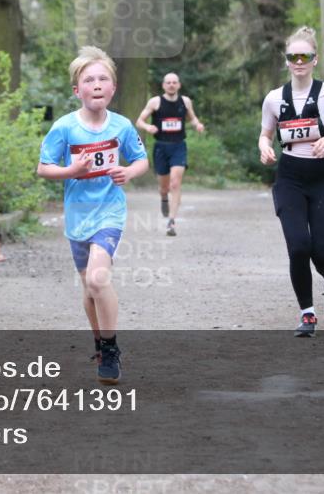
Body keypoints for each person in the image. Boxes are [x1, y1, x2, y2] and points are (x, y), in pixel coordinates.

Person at [37, 46, 149, 382]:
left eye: (103, 79)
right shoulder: (65, 128)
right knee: (89, 289)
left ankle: (111, 348)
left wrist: (129, 173)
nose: (97, 84)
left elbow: (141, 159)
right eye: (89, 79)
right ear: (77, 90)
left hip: (109, 214)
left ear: (113, 88)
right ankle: (100, 343)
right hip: (77, 216)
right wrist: (71, 170)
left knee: (99, 279)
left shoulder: (123, 126)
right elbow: (43, 168)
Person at [258, 27, 324, 337]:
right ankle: (307, 314)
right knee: (299, 247)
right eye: (293, 57)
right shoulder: (275, 98)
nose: (298, 61)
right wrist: (264, 146)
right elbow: (266, 133)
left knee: (323, 251)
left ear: (315, 60)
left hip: (323, 177)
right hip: (290, 177)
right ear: (286, 61)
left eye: (305, 56)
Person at [135, 73, 204, 236]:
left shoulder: (185, 102)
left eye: (174, 82)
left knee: (175, 183)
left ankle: (171, 222)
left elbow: (192, 119)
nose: (171, 85)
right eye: (168, 83)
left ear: (179, 85)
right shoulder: (155, 102)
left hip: (179, 146)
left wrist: (198, 124)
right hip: (161, 147)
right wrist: (147, 127)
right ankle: (164, 198)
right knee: (164, 187)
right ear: (164, 85)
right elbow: (139, 121)